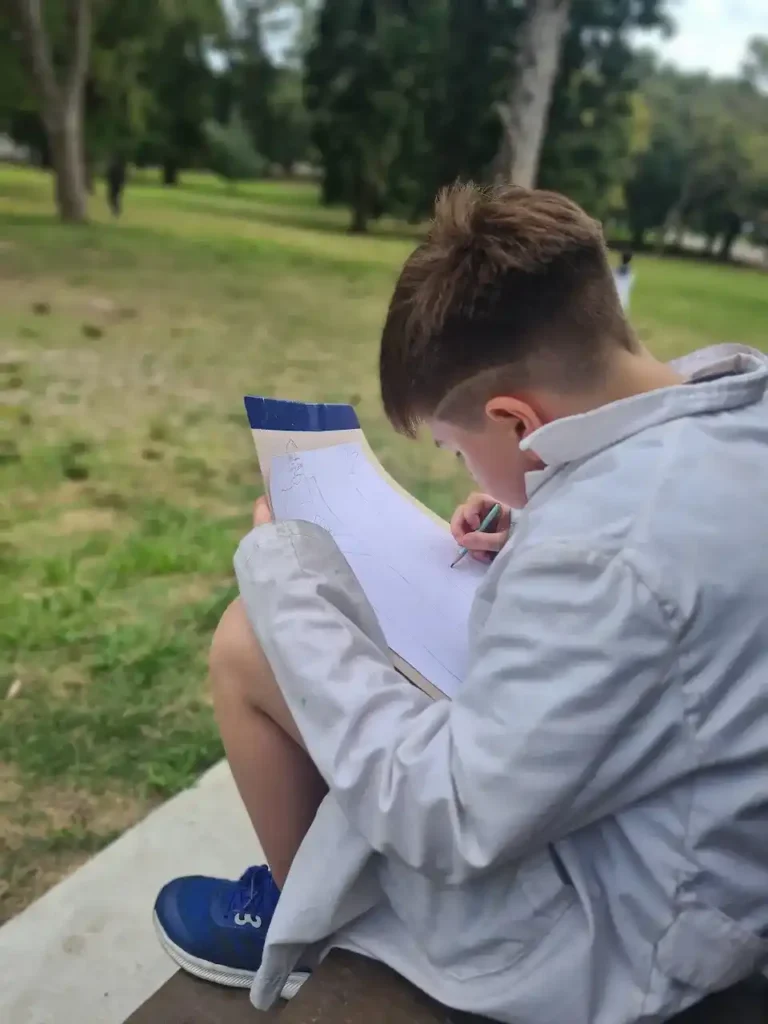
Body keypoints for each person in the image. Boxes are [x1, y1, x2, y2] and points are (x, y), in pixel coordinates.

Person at [153, 184, 768, 1023]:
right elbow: (664, 556)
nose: (461, 470)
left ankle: (310, 919)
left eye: (454, 448)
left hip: (626, 930)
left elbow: (444, 815)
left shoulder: (600, 556)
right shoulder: (734, 407)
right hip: (684, 825)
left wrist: (289, 577)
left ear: (516, 420)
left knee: (247, 641)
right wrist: (532, 510)